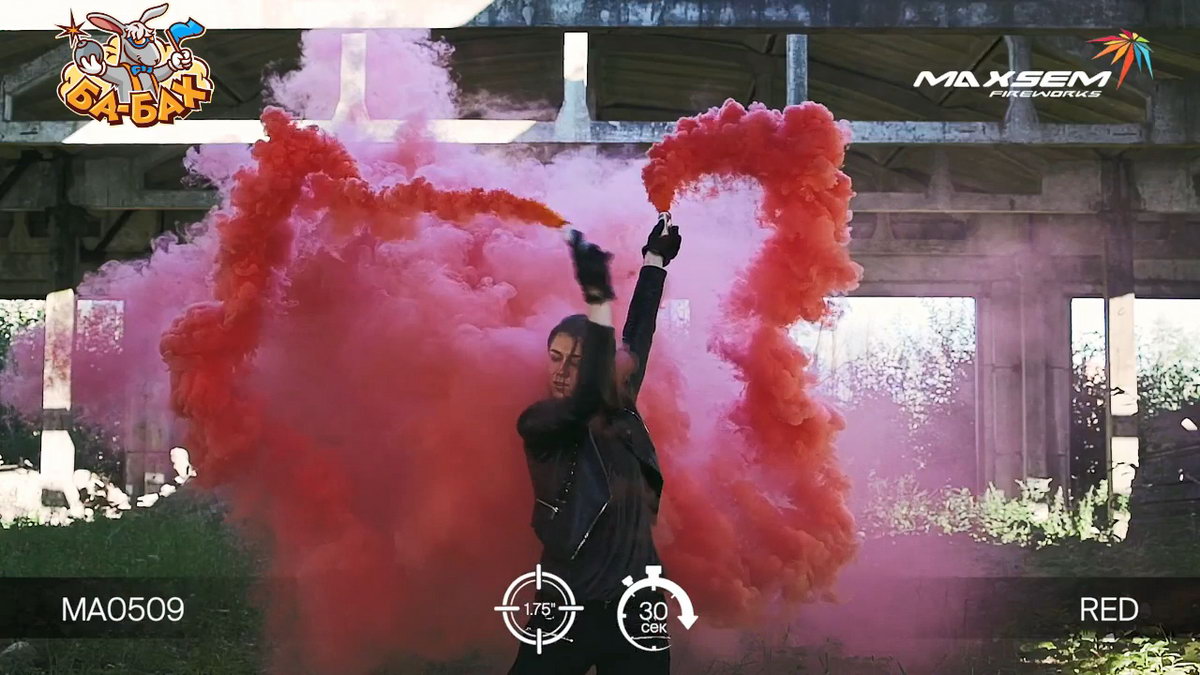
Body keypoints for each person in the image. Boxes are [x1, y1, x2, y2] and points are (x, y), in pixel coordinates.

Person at [508, 215, 683, 675]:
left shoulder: (621, 410)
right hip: (566, 605)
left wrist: (654, 261)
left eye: (578, 360)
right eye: (556, 357)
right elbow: (584, 399)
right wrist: (598, 301)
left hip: (637, 607)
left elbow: (637, 338)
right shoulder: (542, 424)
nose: (562, 370)